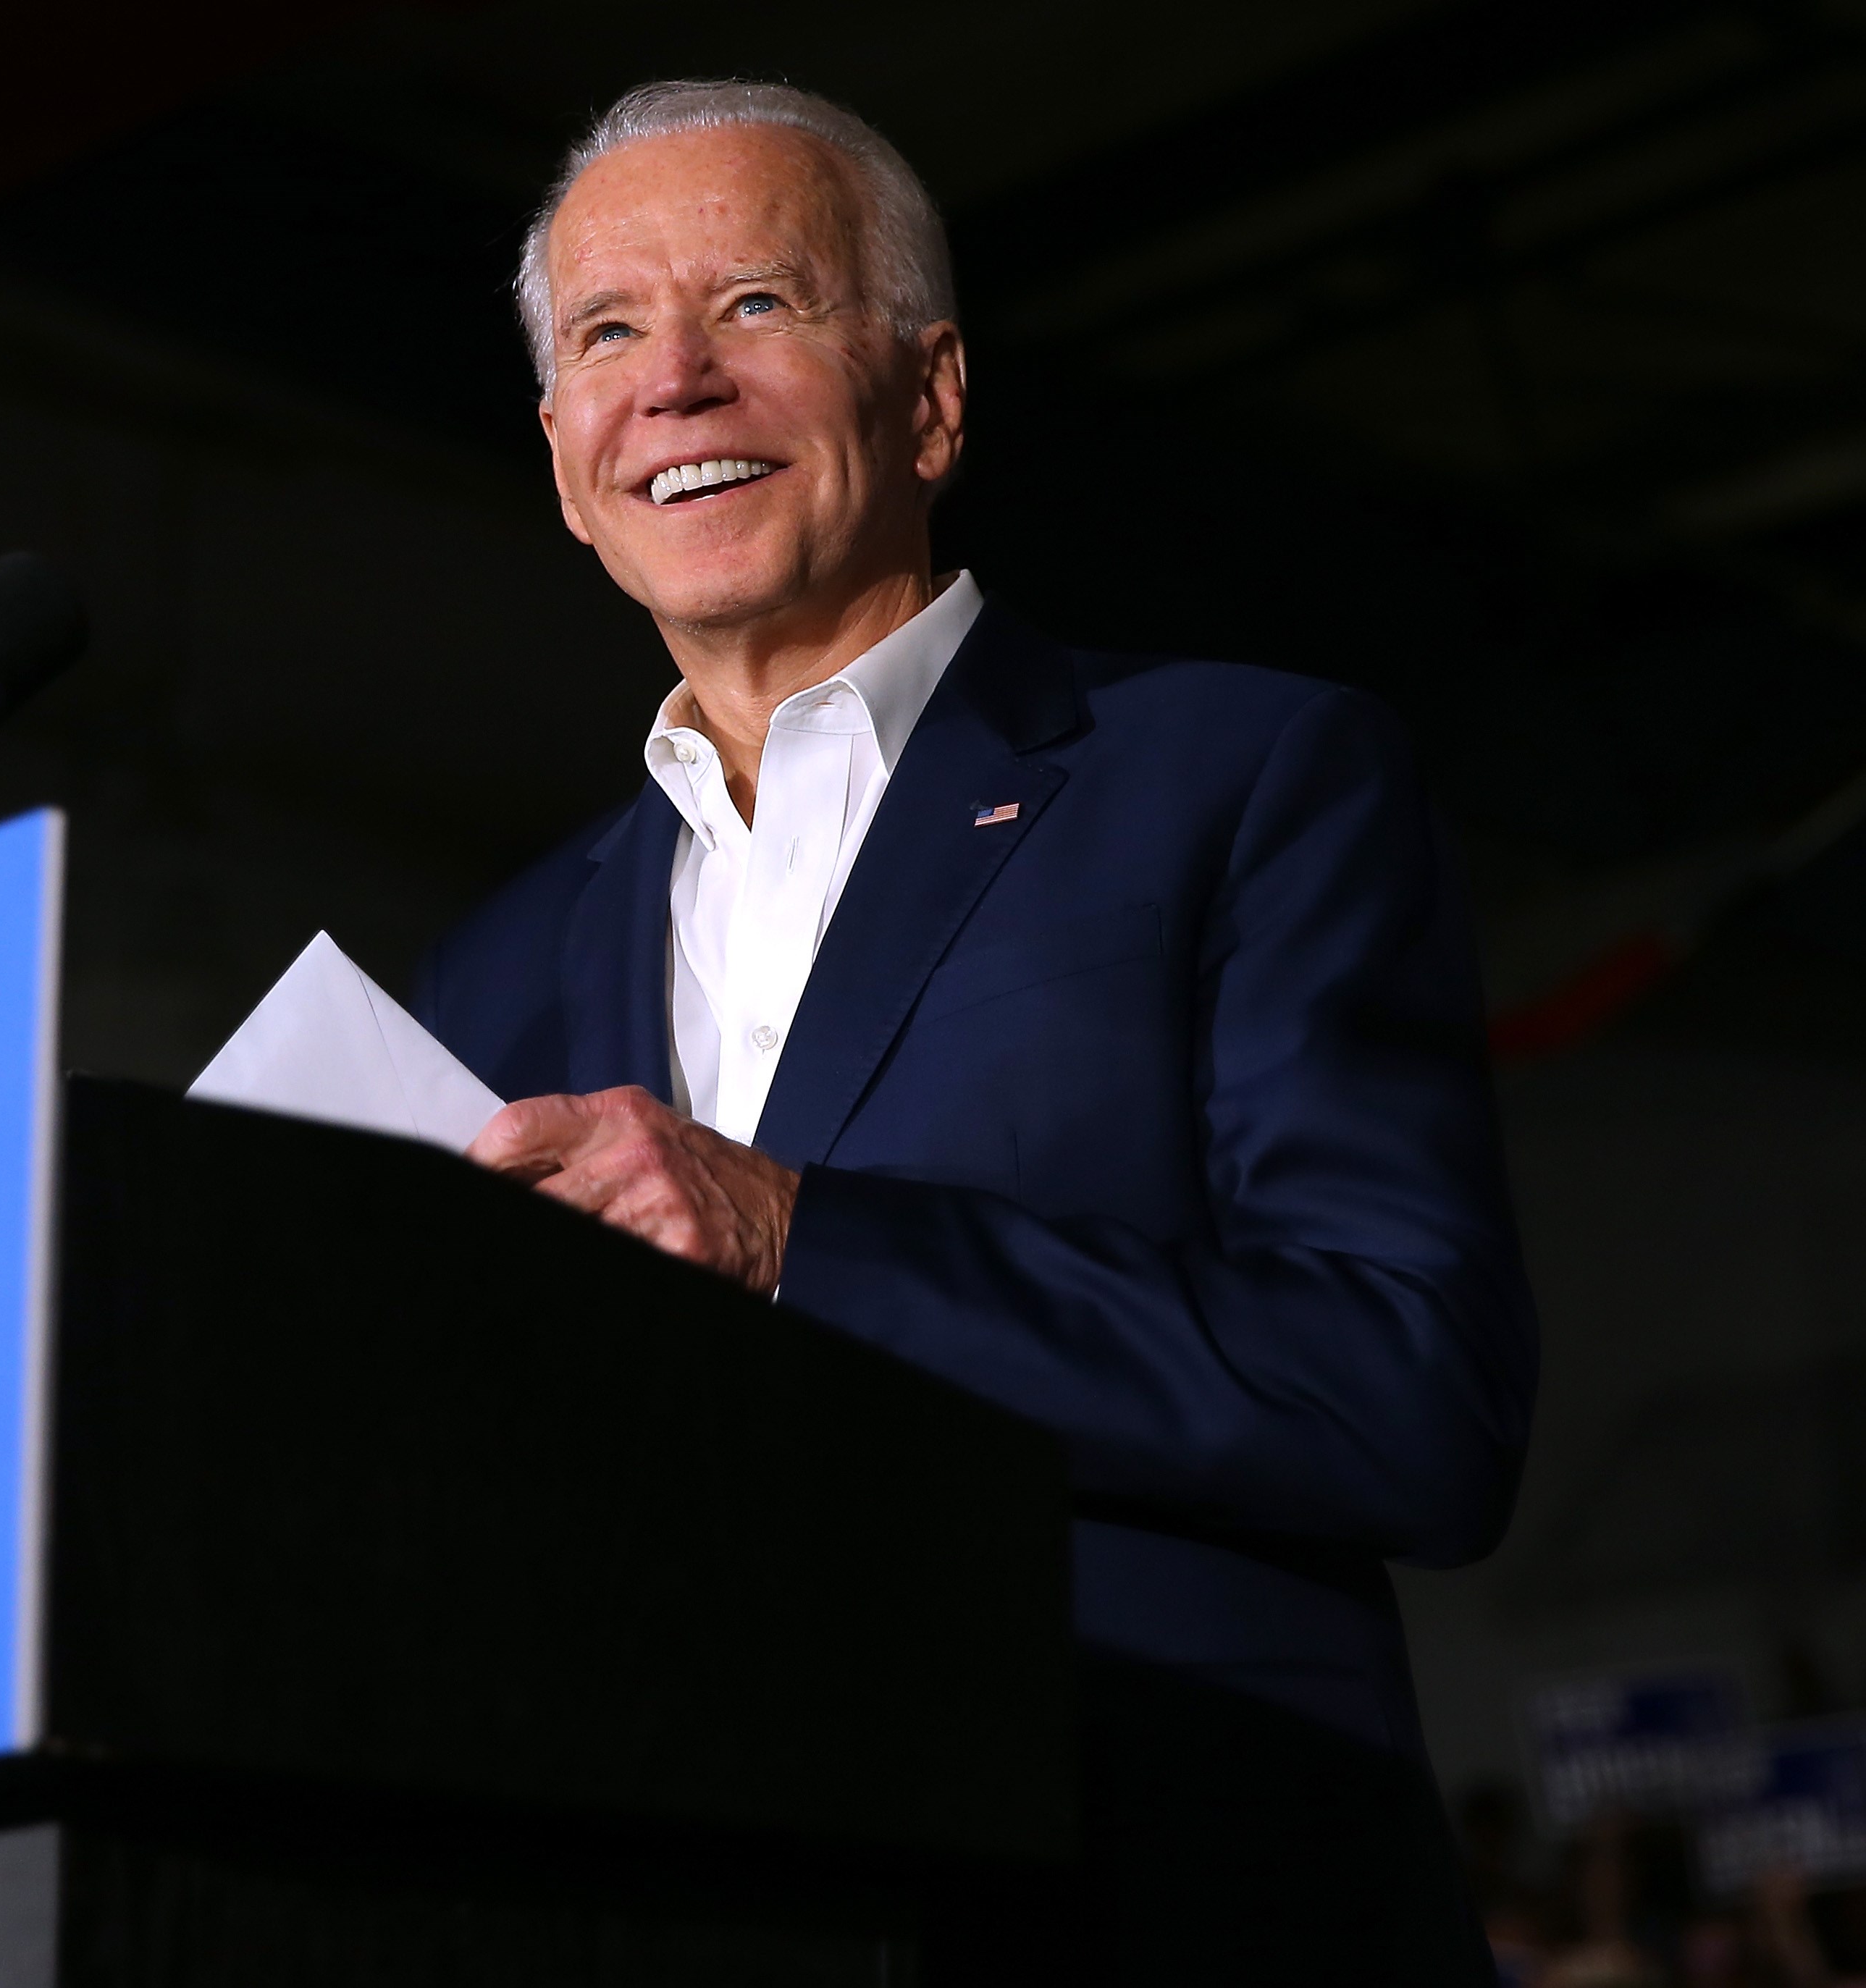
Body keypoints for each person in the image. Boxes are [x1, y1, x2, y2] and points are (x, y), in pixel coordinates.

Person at [413, 78, 1539, 1984]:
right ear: (560, 455)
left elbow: (1407, 1390)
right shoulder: (495, 972)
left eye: (755, 305)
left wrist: (799, 1240)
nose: (671, 379)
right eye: (609, 333)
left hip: (1160, 1906)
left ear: (930, 395)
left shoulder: (1240, 777)